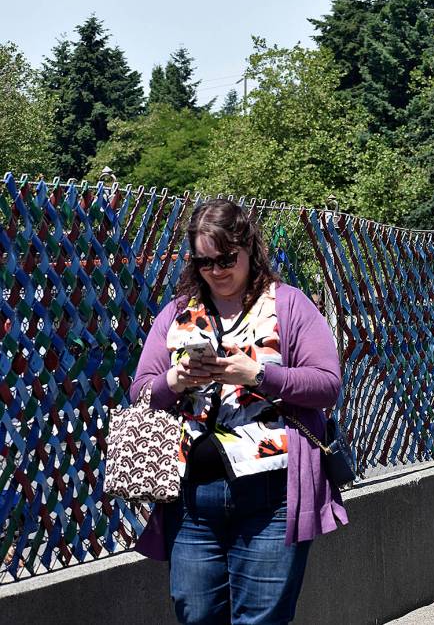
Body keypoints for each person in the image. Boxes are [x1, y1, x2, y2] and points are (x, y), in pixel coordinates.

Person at [130, 199, 347, 624]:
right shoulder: (177, 314)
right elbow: (140, 393)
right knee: (196, 614)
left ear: (249, 248)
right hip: (192, 499)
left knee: (261, 620)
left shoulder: (288, 304)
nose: (217, 270)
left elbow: (327, 385)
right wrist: (177, 380)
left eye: (227, 258)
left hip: (273, 497)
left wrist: (259, 375)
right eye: (205, 261)